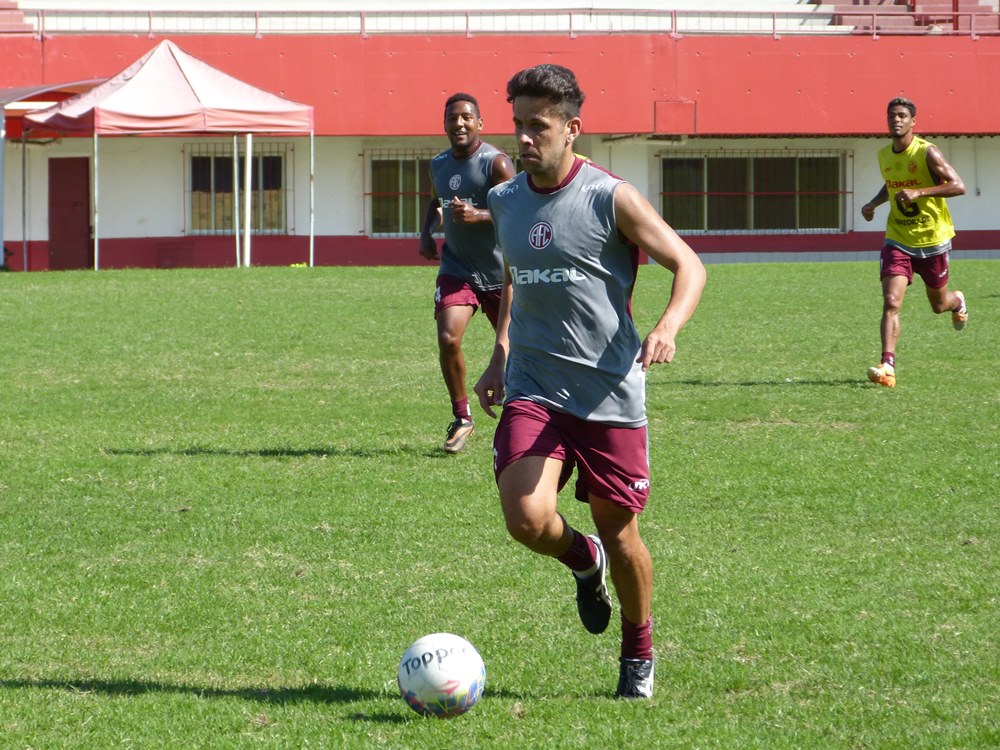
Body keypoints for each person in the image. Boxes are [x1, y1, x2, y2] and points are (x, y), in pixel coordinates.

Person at [474, 64, 706, 699]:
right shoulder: (505, 200)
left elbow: (688, 264)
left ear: (572, 129)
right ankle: (583, 560)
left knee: (620, 532)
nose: (524, 138)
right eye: (518, 124)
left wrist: (668, 326)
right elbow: (516, 279)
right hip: (534, 384)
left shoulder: (611, 197)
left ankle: (638, 650)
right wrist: (498, 355)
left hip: (609, 391)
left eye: (538, 126)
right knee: (527, 518)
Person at [419, 93, 516, 453]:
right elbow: (436, 201)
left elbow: (520, 210)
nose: (459, 124)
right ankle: (462, 418)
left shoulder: (497, 164)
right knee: (448, 337)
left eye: (466, 117)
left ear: (479, 123)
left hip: (500, 274)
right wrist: (426, 232)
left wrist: (480, 214)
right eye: (452, 118)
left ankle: (526, 418)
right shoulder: (438, 164)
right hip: (457, 267)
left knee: (518, 353)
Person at [861, 97, 968, 389]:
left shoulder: (927, 152)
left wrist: (919, 192)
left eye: (902, 116)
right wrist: (873, 204)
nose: (896, 120)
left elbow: (959, 186)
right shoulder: (884, 155)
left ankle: (957, 301)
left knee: (939, 304)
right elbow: (891, 184)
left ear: (913, 122)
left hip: (933, 240)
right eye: (892, 116)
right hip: (898, 239)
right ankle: (887, 366)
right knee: (891, 301)